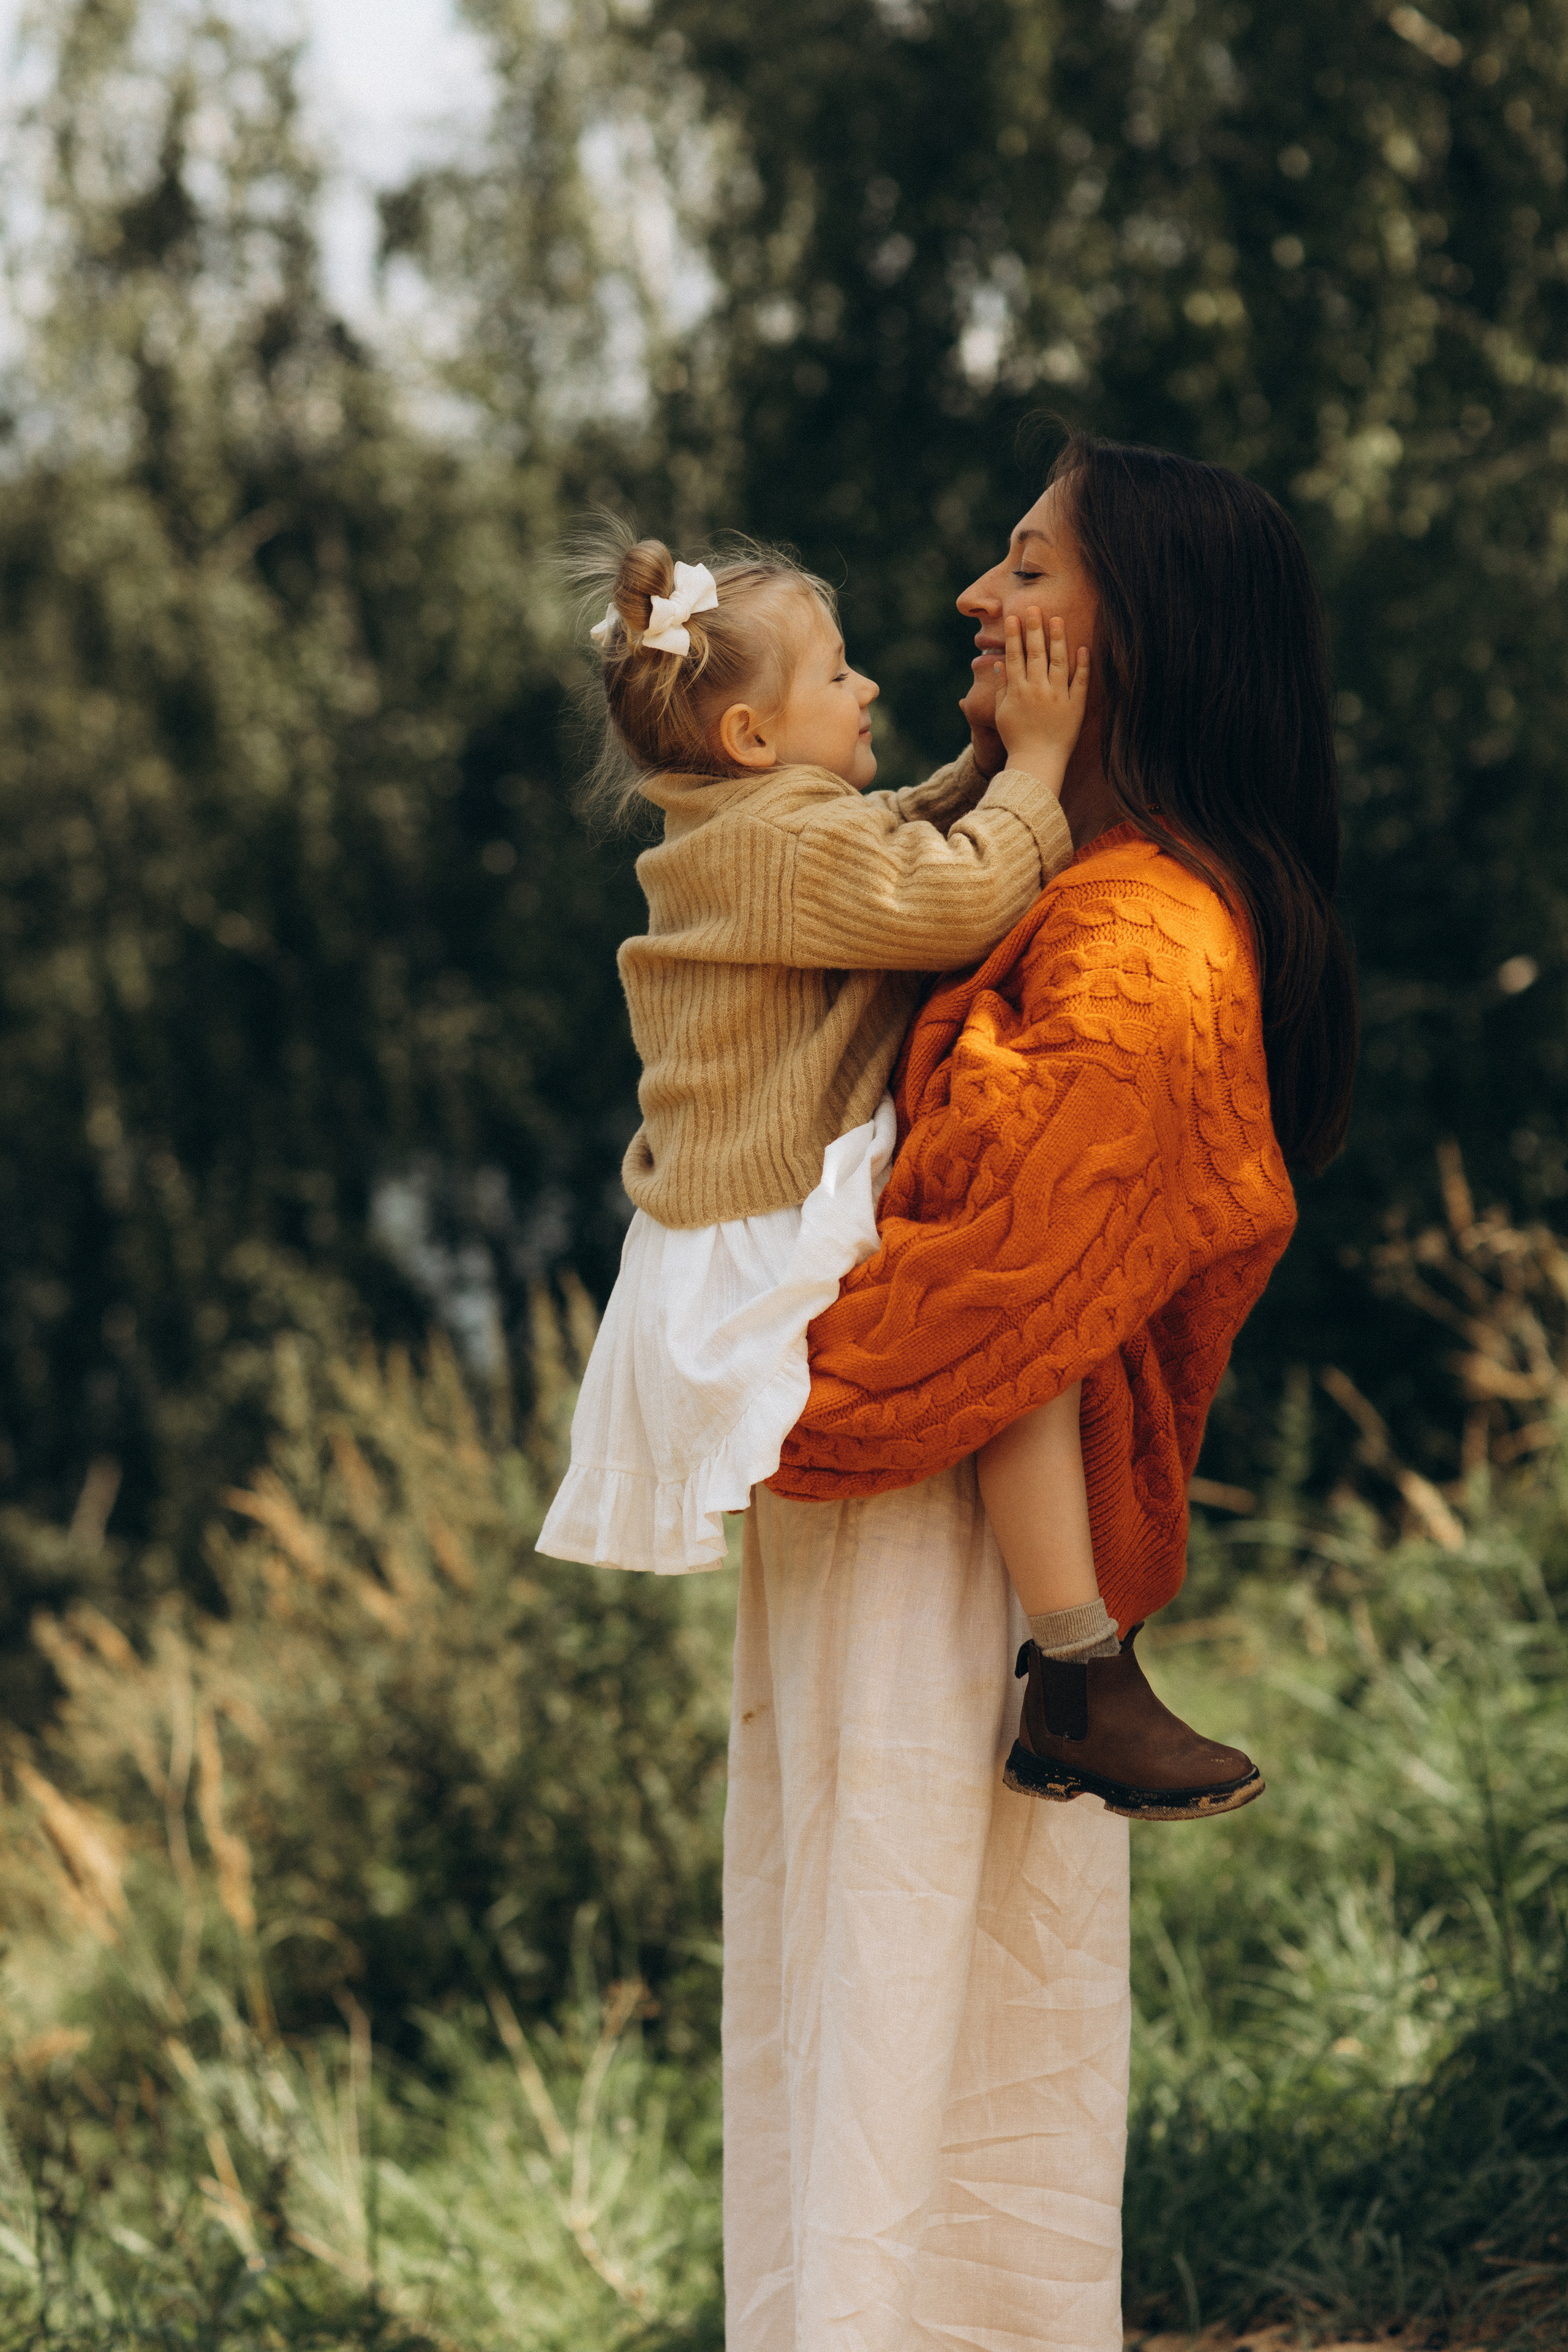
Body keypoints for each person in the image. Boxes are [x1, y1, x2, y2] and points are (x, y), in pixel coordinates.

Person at [722, 435, 1359, 2351]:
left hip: (947, 1550)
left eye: (1026, 571)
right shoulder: (1066, 880)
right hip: (920, 1529)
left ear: (1134, 637)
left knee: (923, 2051)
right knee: (889, 2035)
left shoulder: (1141, 937)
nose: (973, 607)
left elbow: (998, 1286)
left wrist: (746, 1368)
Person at [537, 524, 1250, 1801]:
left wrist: (979, 767)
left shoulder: (752, 828)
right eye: (837, 675)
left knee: (1015, 1325)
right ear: (753, 739)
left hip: (726, 1221)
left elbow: (890, 839)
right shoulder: (783, 848)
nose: (867, 688)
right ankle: (1080, 1666)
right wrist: (1032, 768)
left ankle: (1083, 1670)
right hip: (765, 1230)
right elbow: (947, 899)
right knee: (1019, 1334)